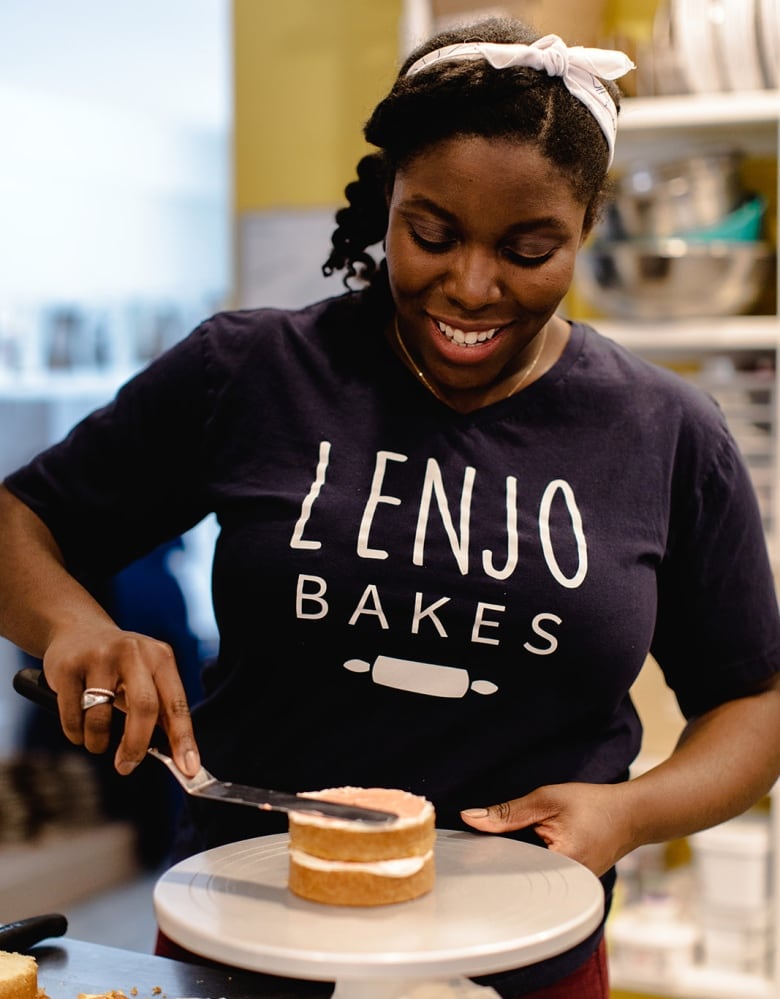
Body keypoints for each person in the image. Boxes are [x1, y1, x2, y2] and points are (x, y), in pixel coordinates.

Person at [0, 14, 778, 998]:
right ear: (387, 202)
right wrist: (76, 627)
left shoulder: (665, 431)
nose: (472, 287)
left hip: (524, 965)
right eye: (433, 234)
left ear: (586, 229)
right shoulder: (251, 371)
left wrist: (631, 812)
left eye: (529, 248)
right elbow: (17, 522)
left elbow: (754, 705)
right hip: (246, 948)